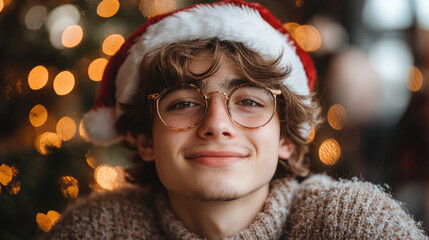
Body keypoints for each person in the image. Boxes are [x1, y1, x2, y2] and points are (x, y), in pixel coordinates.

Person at [44, 0, 428, 239]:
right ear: (145, 139)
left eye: (247, 101)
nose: (217, 124)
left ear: (286, 139)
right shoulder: (94, 229)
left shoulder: (352, 222)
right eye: (181, 104)